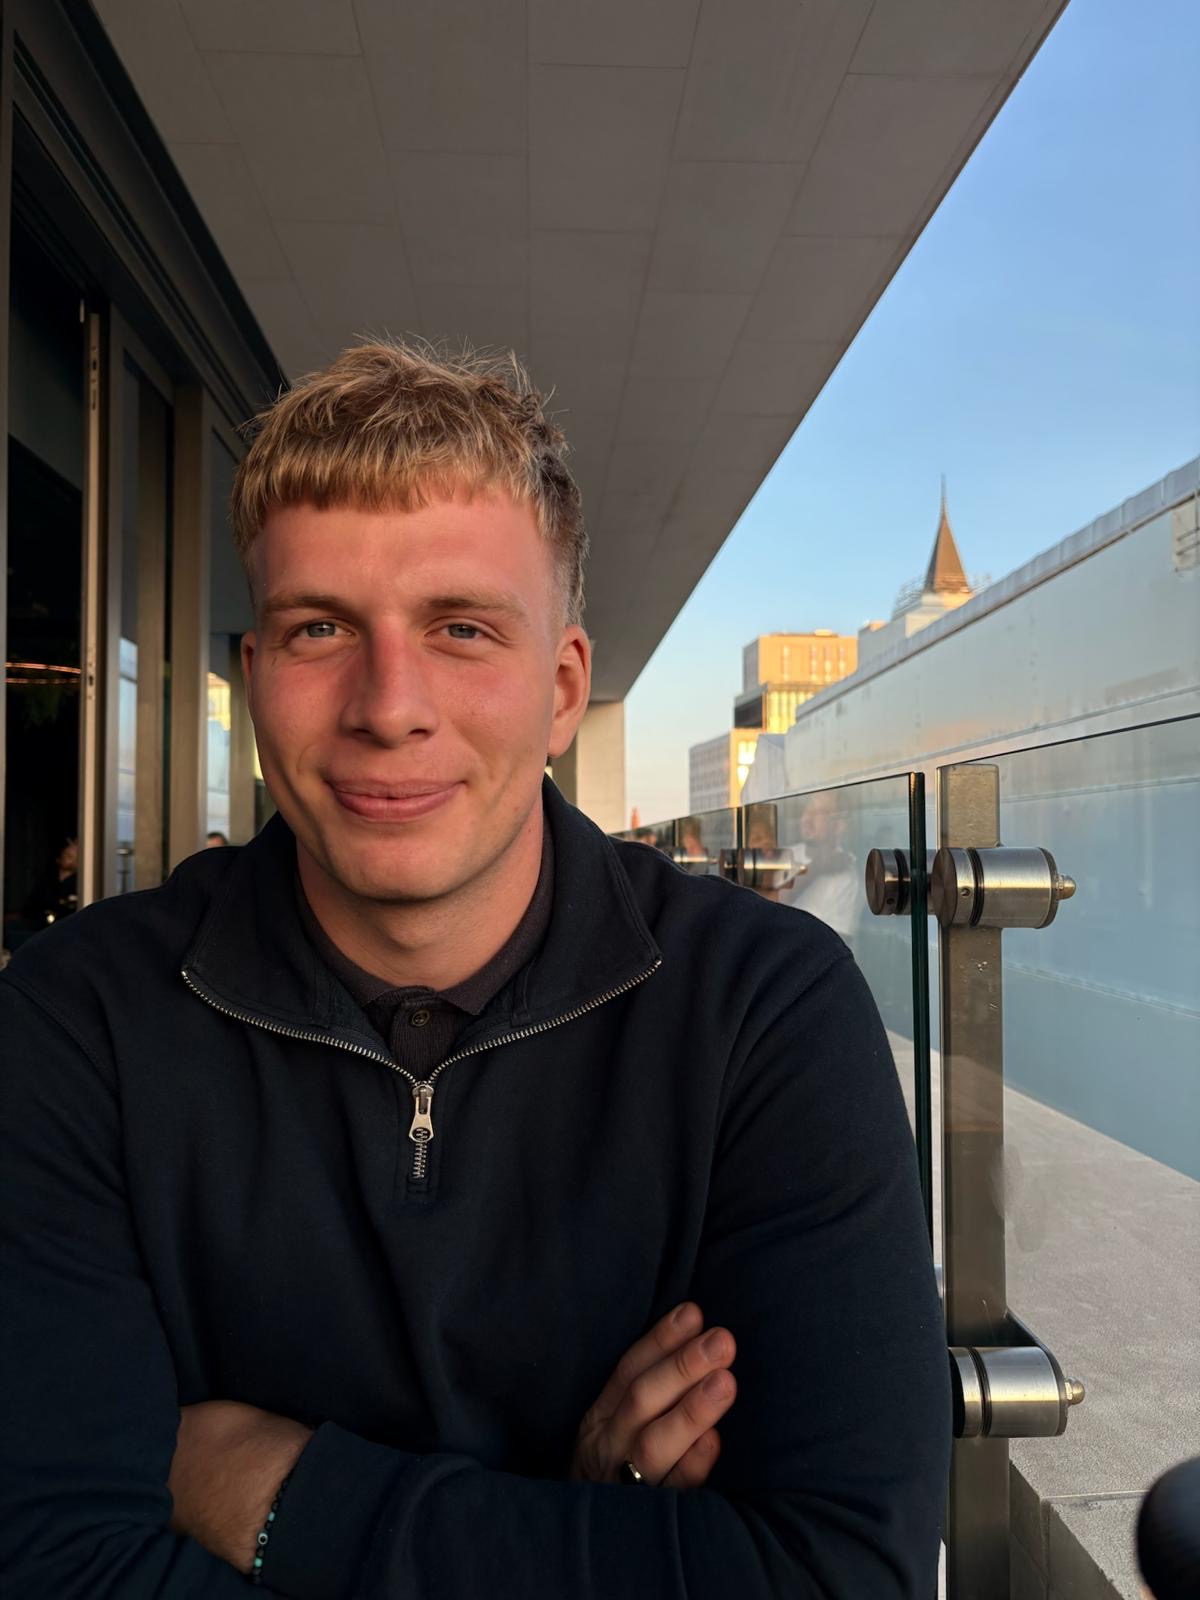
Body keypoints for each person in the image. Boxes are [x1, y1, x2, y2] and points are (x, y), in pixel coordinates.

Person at [0, 343, 949, 1597]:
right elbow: (54, 1566)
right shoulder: (75, 1022)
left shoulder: (762, 1010)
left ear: (562, 691)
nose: (389, 705)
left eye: (460, 628)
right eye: (318, 627)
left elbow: (841, 1572)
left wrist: (283, 1493)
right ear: (252, 680)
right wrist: (577, 1519)